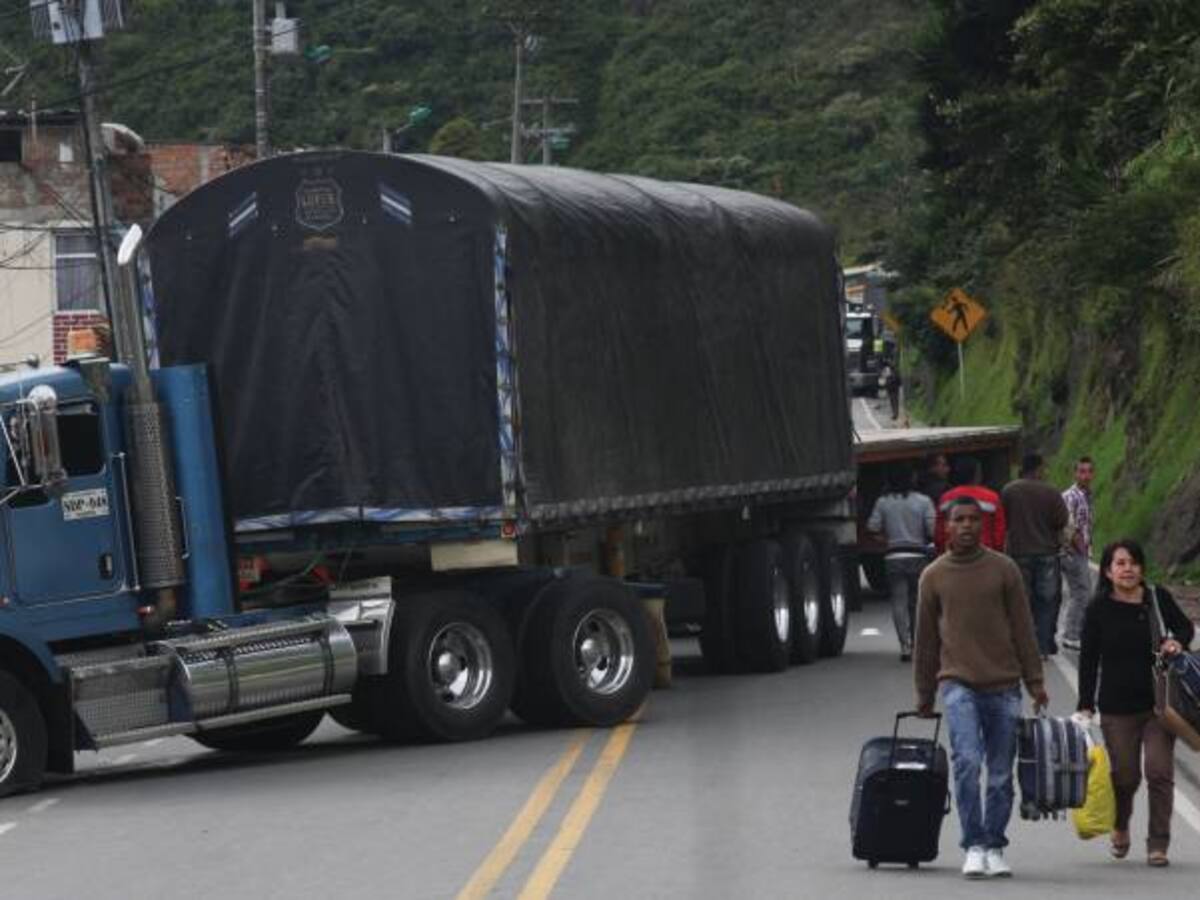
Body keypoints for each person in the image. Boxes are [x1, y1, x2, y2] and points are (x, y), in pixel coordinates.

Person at [914, 496, 1047, 879]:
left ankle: (994, 845)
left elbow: (1024, 629)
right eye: (960, 520)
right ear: (947, 527)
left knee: (1002, 774)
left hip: (1004, 685)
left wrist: (1035, 681)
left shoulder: (1004, 570)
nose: (967, 526)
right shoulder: (933, 576)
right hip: (958, 685)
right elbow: (926, 643)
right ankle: (973, 845)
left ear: (983, 526)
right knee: (968, 763)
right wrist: (924, 695)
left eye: (974, 519)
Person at [1075, 539, 1194, 867]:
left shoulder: (1157, 599)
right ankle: (1121, 825)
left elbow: (1184, 627)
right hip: (1116, 706)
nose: (1128, 569)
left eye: (1133, 563)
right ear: (1109, 571)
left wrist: (1176, 641)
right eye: (1120, 563)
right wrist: (1085, 703)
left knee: (1159, 772)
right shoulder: (1098, 608)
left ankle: (1158, 843)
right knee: (1125, 776)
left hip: (1159, 704)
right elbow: (1088, 659)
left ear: (1141, 568)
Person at [1002, 452, 1068, 657]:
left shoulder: (1009, 491)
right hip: (1046, 553)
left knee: (1022, 600)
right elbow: (1061, 520)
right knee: (1046, 601)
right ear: (1038, 469)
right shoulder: (1051, 492)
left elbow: (1003, 519)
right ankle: (1042, 647)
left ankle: (1022, 644)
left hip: (1018, 553)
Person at [867, 461, 935, 661]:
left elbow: (872, 527)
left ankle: (904, 647)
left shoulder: (883, 502)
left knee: (899, 602)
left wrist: (885, 540)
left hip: (893, 556)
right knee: (917, 603)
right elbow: (932, 530)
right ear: (912, 478)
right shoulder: (923, 501)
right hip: (918, 556)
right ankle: (917, 643)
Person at [1059, 456, 1095, 652]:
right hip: (1071, 552)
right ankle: (1071, 635)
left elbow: (1086, 524)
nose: (1086, 475)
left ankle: (1076, 632)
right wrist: (1079, 548)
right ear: (1075, 473)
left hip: (1081, 550)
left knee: (1082, 592)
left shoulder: (1087, 495)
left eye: (1089, 471)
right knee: (1081, 593)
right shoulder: (1070, 496)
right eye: (1082, 471)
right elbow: (1068, 526)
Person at [934, 456, 1006, 553]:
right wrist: (996, 554)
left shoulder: (945, 498)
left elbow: (939, 533)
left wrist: (943, 553)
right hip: (985, 554)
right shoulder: (992, 498)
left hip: (954, 554)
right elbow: (999, 533)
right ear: (977, 474)